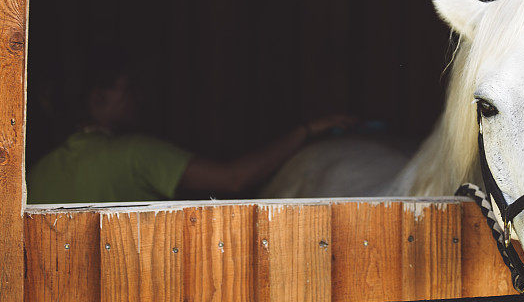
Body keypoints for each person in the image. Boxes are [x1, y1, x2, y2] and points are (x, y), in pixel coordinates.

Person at [27, 52, 356, 204]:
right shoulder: (135, 153)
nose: (140, 98)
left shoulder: (40, 171)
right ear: (98, 98)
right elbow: (234, 178)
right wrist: (307, 130)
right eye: (130, 90)